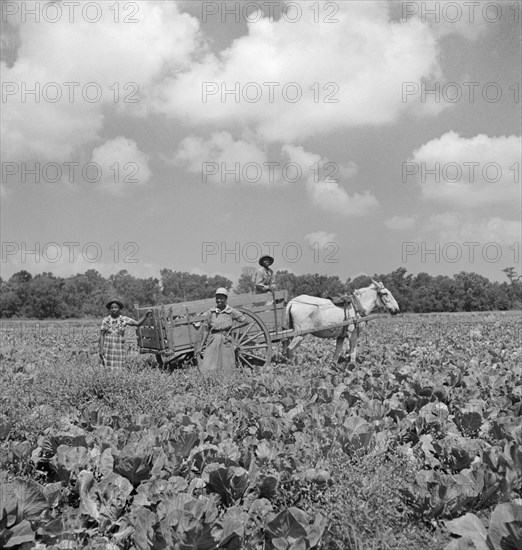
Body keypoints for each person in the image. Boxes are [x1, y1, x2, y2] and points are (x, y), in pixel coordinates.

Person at [195, 288, 247, 378]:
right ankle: (211, 383)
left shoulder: (231, 311)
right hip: (213, 340)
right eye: (217, 298)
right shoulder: (211, 312)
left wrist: (233, 327)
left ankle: (227, 383)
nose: (219, 300)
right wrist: (201, 346)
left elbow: (245, 321)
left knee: (227, 364)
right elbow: (206, 330)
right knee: (209, 363)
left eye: (221, 298)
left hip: (225, 340)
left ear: (226, 299)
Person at [99, 299, 151, 368]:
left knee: (119, 367)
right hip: (108, 348)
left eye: (116, 307)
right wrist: (101, 349)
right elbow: (102, 335)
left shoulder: (124, 319)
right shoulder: (106, 320)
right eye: (112, 308)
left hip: (119, 347)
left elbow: (137, 323)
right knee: (106, 367)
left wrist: (145, 315)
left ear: (119, 309)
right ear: (110, 309)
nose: (114, 309)